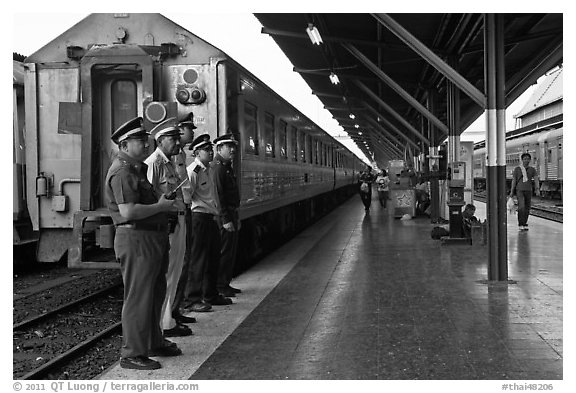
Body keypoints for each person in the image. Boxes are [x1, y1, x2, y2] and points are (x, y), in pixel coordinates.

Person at [105, 117, 181, 371]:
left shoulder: (136, 169)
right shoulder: (123, 171)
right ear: (124, 145)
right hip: (136, 238)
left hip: (149, 237)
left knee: (155, 293)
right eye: (140, 141)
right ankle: (132, 353)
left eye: (145, 140)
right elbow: (127, 211)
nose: (146, 145)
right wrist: (160, 206)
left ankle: (152, 341)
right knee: (139, 296)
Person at [144, 117, 192, 338]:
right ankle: (164, 323)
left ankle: (168, 318)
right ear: (161, 140)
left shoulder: (171, 161)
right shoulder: (154, 163)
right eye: (173, 139)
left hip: (179, 219)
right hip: (168, 223)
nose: (178, 143)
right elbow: (150, 195)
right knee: (168, 273)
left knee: (176, 270)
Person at [184, 134, 233, 312]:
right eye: (206, 150)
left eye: (211, 149)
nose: (210, 152)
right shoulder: (193, 171)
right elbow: (188, 198)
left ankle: (210, 294)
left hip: (210, 217)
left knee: (213, 257)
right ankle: (192, 299)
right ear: (197, 153)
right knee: (198, 259)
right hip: (199, 218)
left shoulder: (209, 169)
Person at [171, 113, 197, 325]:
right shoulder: (169, 157)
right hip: (177, 213)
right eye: (189, 128)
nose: (192, 132)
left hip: (185, 210)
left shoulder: (180, 154)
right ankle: (171, 312)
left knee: (184, 262)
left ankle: (176, 309)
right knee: (178, 264)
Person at [211, 133, 242, 298]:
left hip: (232, 212)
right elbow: (218, 195)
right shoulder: (218, 167)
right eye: (229, 147)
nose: (232, 150)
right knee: (224, 252)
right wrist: (225, 219)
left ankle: (225, 283)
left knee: (230, 252)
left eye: (233, 147)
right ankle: (220, 285)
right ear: (219, 148)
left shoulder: (226, 166)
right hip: (225, 215)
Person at [509, 152, 540, 230]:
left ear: (530, 160)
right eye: (525, 159)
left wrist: (537, 189)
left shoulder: (532, 169)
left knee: (527, 208)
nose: (526, 160)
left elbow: (536, 179)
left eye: (528, 159)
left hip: (528, 190)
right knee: (521, 207)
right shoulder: (517, 169)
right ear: (522, 160)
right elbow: (514, 180)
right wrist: (512, 191)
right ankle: (520, 223)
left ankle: (525, 223)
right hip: (520, 190)